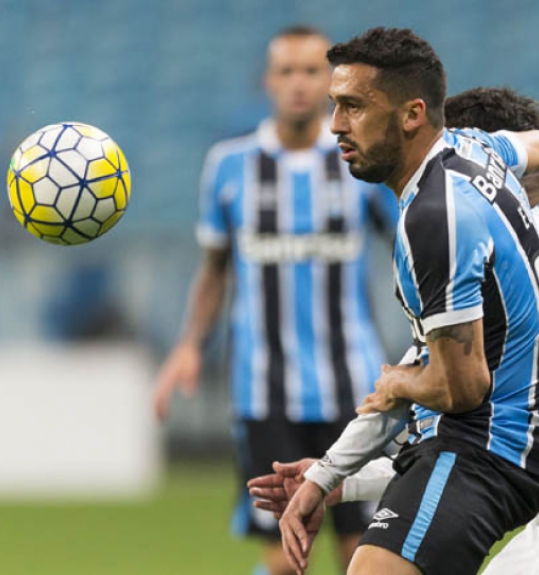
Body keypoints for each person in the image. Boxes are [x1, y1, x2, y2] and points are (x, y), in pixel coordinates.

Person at [251, 87, 539, 574]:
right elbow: (479, 445)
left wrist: (333, 469)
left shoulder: (496, 263)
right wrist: (343, 480)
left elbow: (434, 408)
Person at [275, 28, 539, 575]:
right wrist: (325, 475)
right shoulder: (474, 151)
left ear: (412, 114)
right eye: (335, 106)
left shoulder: (435, 218)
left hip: (483, 449)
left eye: (354, 107)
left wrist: (396, 382)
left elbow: (460, 386)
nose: (336, 125)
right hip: (489, 442)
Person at [151, 25, 397, 575]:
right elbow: (214, 269)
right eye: (286, 71)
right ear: (268, 81)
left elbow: (413, 249)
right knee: (286, 560)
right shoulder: (229, 165)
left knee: (361, 556)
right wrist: (190, 344)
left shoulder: (360, 164)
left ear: (331, 84)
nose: (298, 84)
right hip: (265, 393)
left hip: (354, 391)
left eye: (311, 71)